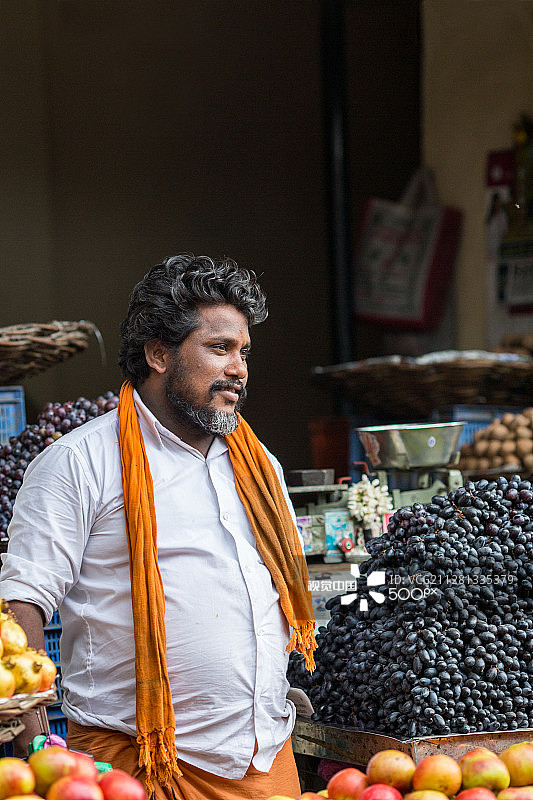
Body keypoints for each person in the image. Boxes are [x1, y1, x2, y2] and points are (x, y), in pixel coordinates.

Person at [0, 254, 316, 800]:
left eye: (244, 352)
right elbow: (19, 606)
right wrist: (36, 751)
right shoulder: (79, 463)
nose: (239, 368)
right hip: (132, 766)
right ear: (158, 354)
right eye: (219, 348)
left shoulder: (259, 465)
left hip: (266, 763)